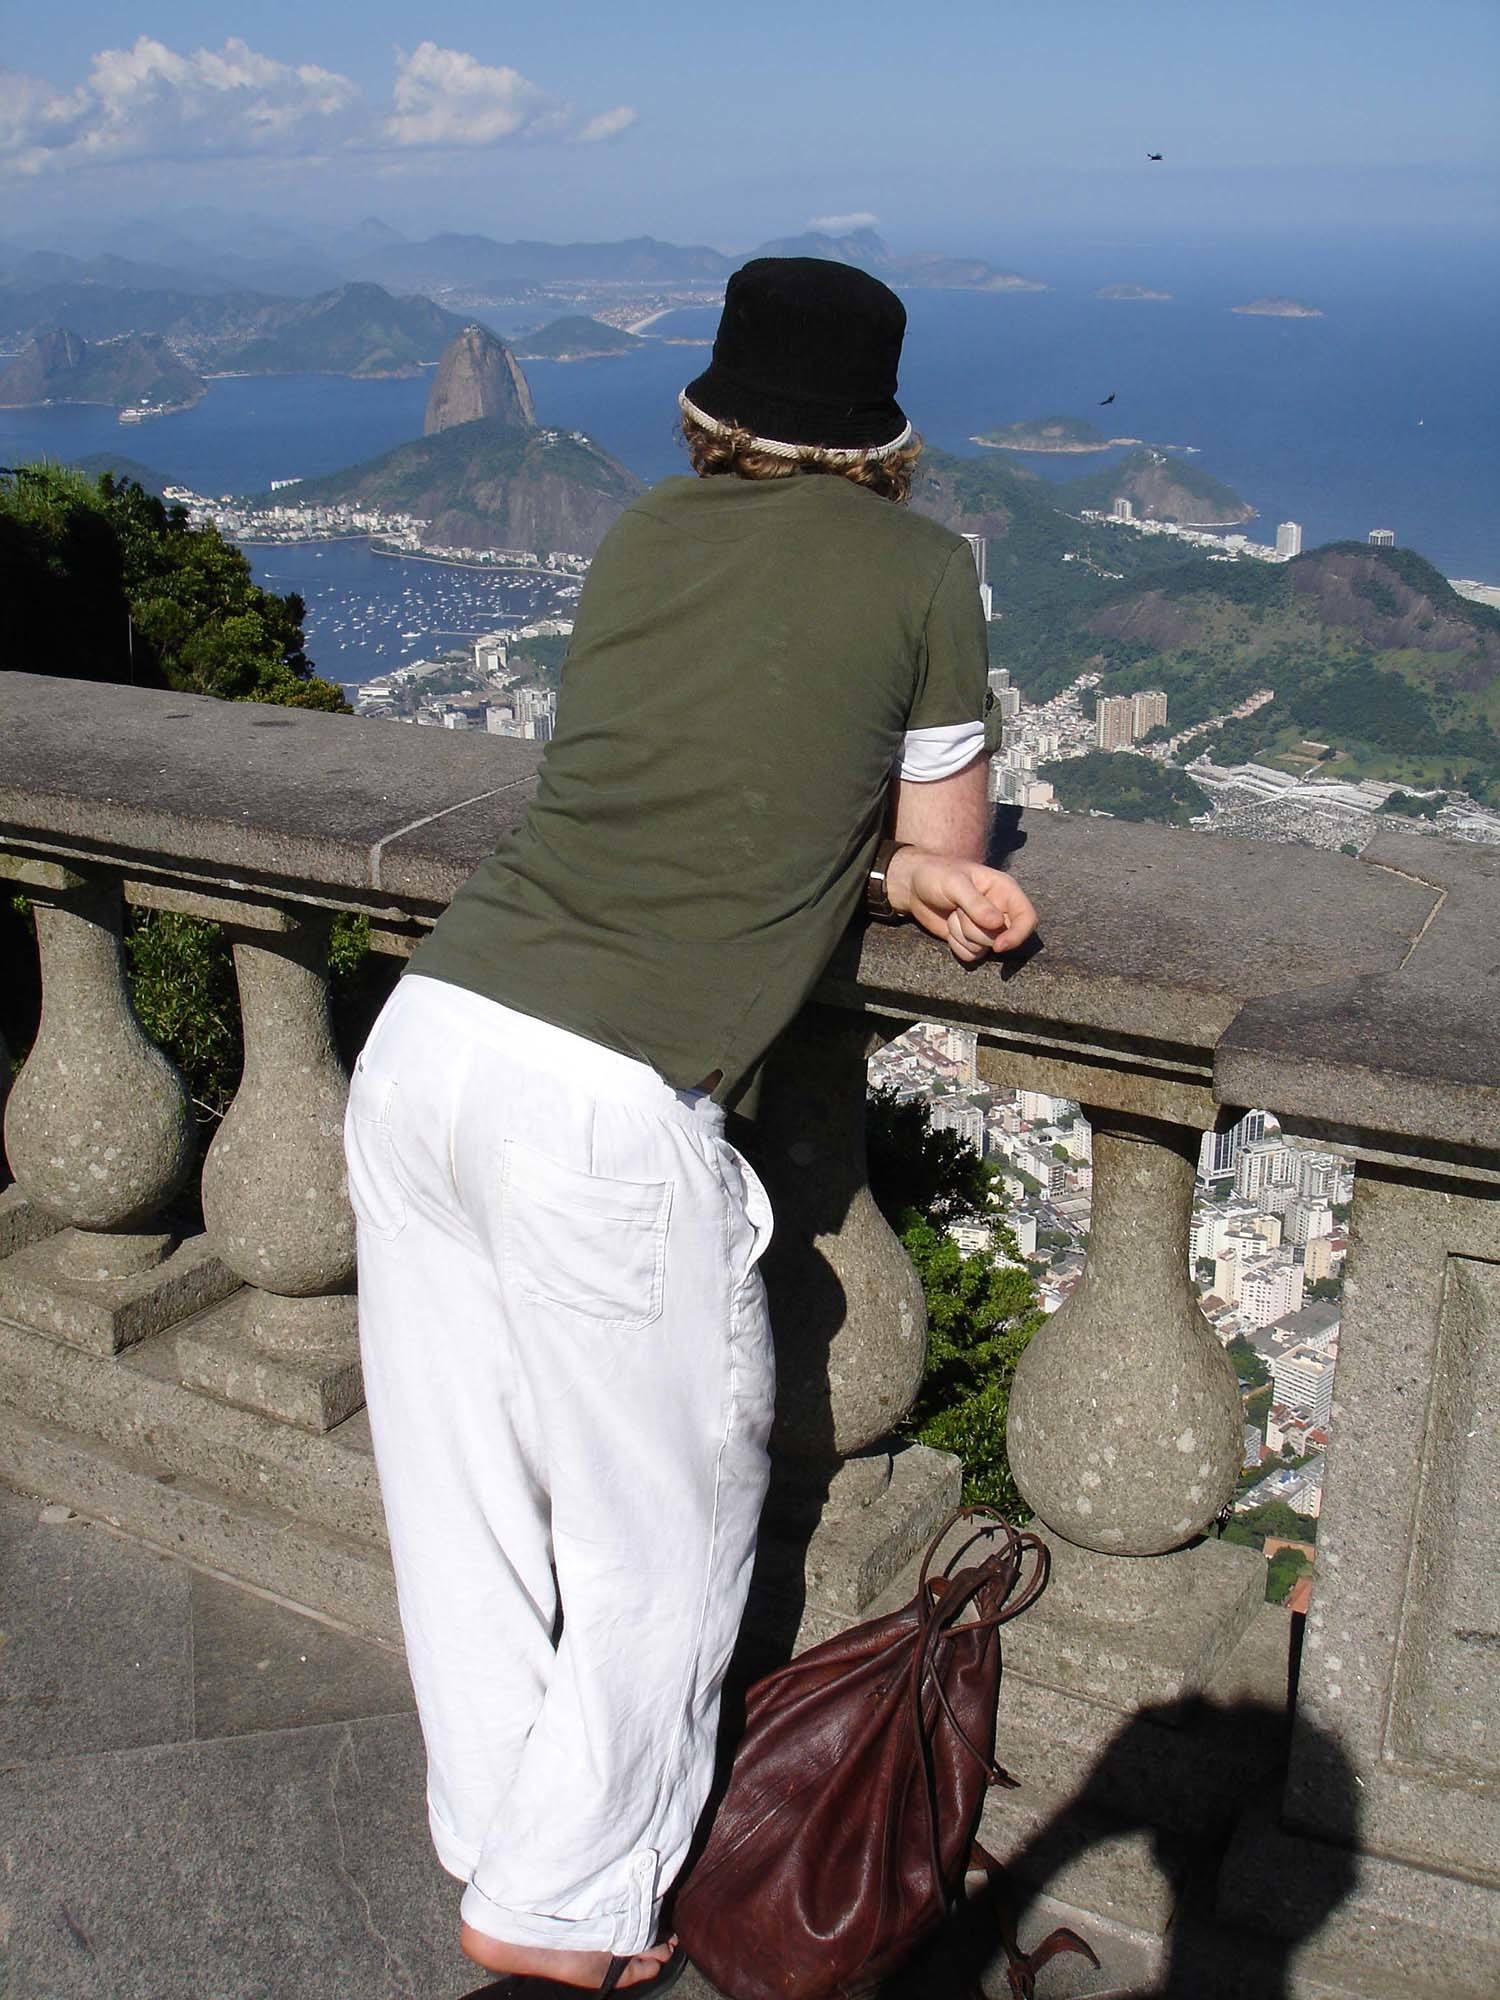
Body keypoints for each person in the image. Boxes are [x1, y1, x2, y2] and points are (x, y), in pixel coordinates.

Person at [343, 257, 1038, 1997]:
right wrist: (927, 871)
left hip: (430, 1042)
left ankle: (506, 1833)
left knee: (465, 1498)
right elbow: (944, 826)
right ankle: (567, 1910)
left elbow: (681, 784)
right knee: (670, 1524)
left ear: (716, 407)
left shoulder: (645, 535)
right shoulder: (926, 567)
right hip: (600, 1098)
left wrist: (868, 863)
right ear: (885, 428)